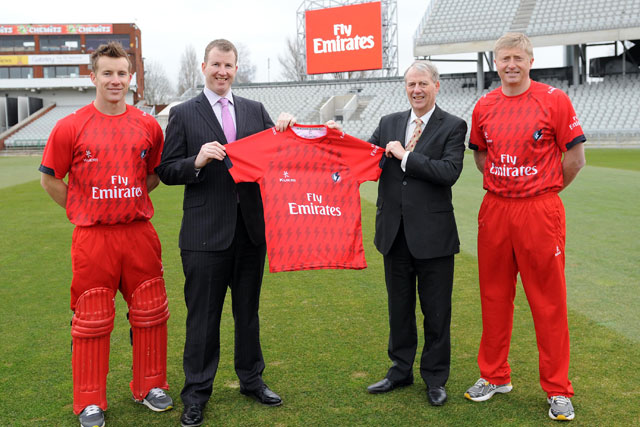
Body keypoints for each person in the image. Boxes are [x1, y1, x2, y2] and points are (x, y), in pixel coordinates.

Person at [156, 39, 295, 427]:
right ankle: (197, 394)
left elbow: (280, 156)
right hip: (204, 235)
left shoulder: (255, 110)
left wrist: (285, 126)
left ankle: (252, 380)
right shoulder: (184, 114)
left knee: (247, 315)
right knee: (203, 318)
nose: (222, 71)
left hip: (251, 233)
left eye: (229, 65)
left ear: (236, 69)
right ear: (204, 67)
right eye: (216, 64)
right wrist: (196, 161)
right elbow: (166, 170)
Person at [39, 42, 173, 427]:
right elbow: (50, 179)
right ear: (93, 76)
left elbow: (154, 173)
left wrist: (126, 198)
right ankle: (90, 401)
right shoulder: (71, 125)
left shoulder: (147, 124)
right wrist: (84, 206)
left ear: (131, 79)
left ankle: (150, 386)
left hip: (138, 233)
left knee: (150, 312)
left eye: (121, 74)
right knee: (92, 316)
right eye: (107, 73)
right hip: (93, 238)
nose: (115, 80)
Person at [464, 32, 586, 422]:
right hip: (496, 209)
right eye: (504, 59)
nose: (511, 65)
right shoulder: (483, 105)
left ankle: (557, 389)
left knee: (548, 302)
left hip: (539, 210)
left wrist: (542, 190)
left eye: (518, 57)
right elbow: (482, 157)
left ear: (530, 61)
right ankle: (495, 375)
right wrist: (509, 186)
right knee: (494, 296)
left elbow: (575, 159)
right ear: (495, 63)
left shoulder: (553, 100)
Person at [366, 60, 467, 406]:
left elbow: (449, 171)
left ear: (436, 86)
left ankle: (435, 378)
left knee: (436, 312)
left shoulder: (453, 126)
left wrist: (405, 156)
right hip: (394, 234)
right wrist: (335, 134)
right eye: (411, 84)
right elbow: (366, 158)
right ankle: (400, 370)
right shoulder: (388, 122)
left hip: (435, 237)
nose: (417, 90)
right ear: (405, 87)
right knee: (399, 309)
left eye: (423, 84)